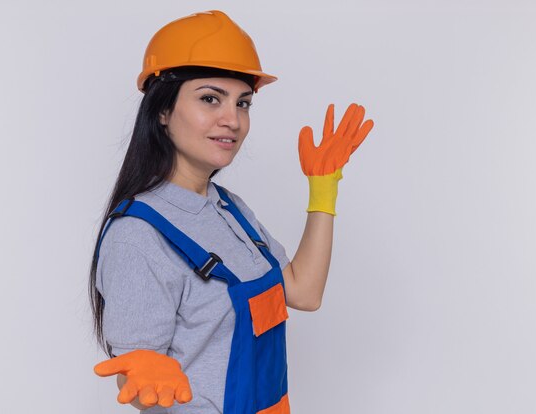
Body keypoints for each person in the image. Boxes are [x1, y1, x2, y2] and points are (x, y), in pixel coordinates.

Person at [88, 10, 374, 414]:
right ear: (162, 111)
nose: (233, 120)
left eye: (243, 103)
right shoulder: (137, 235)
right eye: (210, 98)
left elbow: (304, 293)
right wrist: (139, 379)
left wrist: (323, 190)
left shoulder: (230, 209)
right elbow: (137, 381)